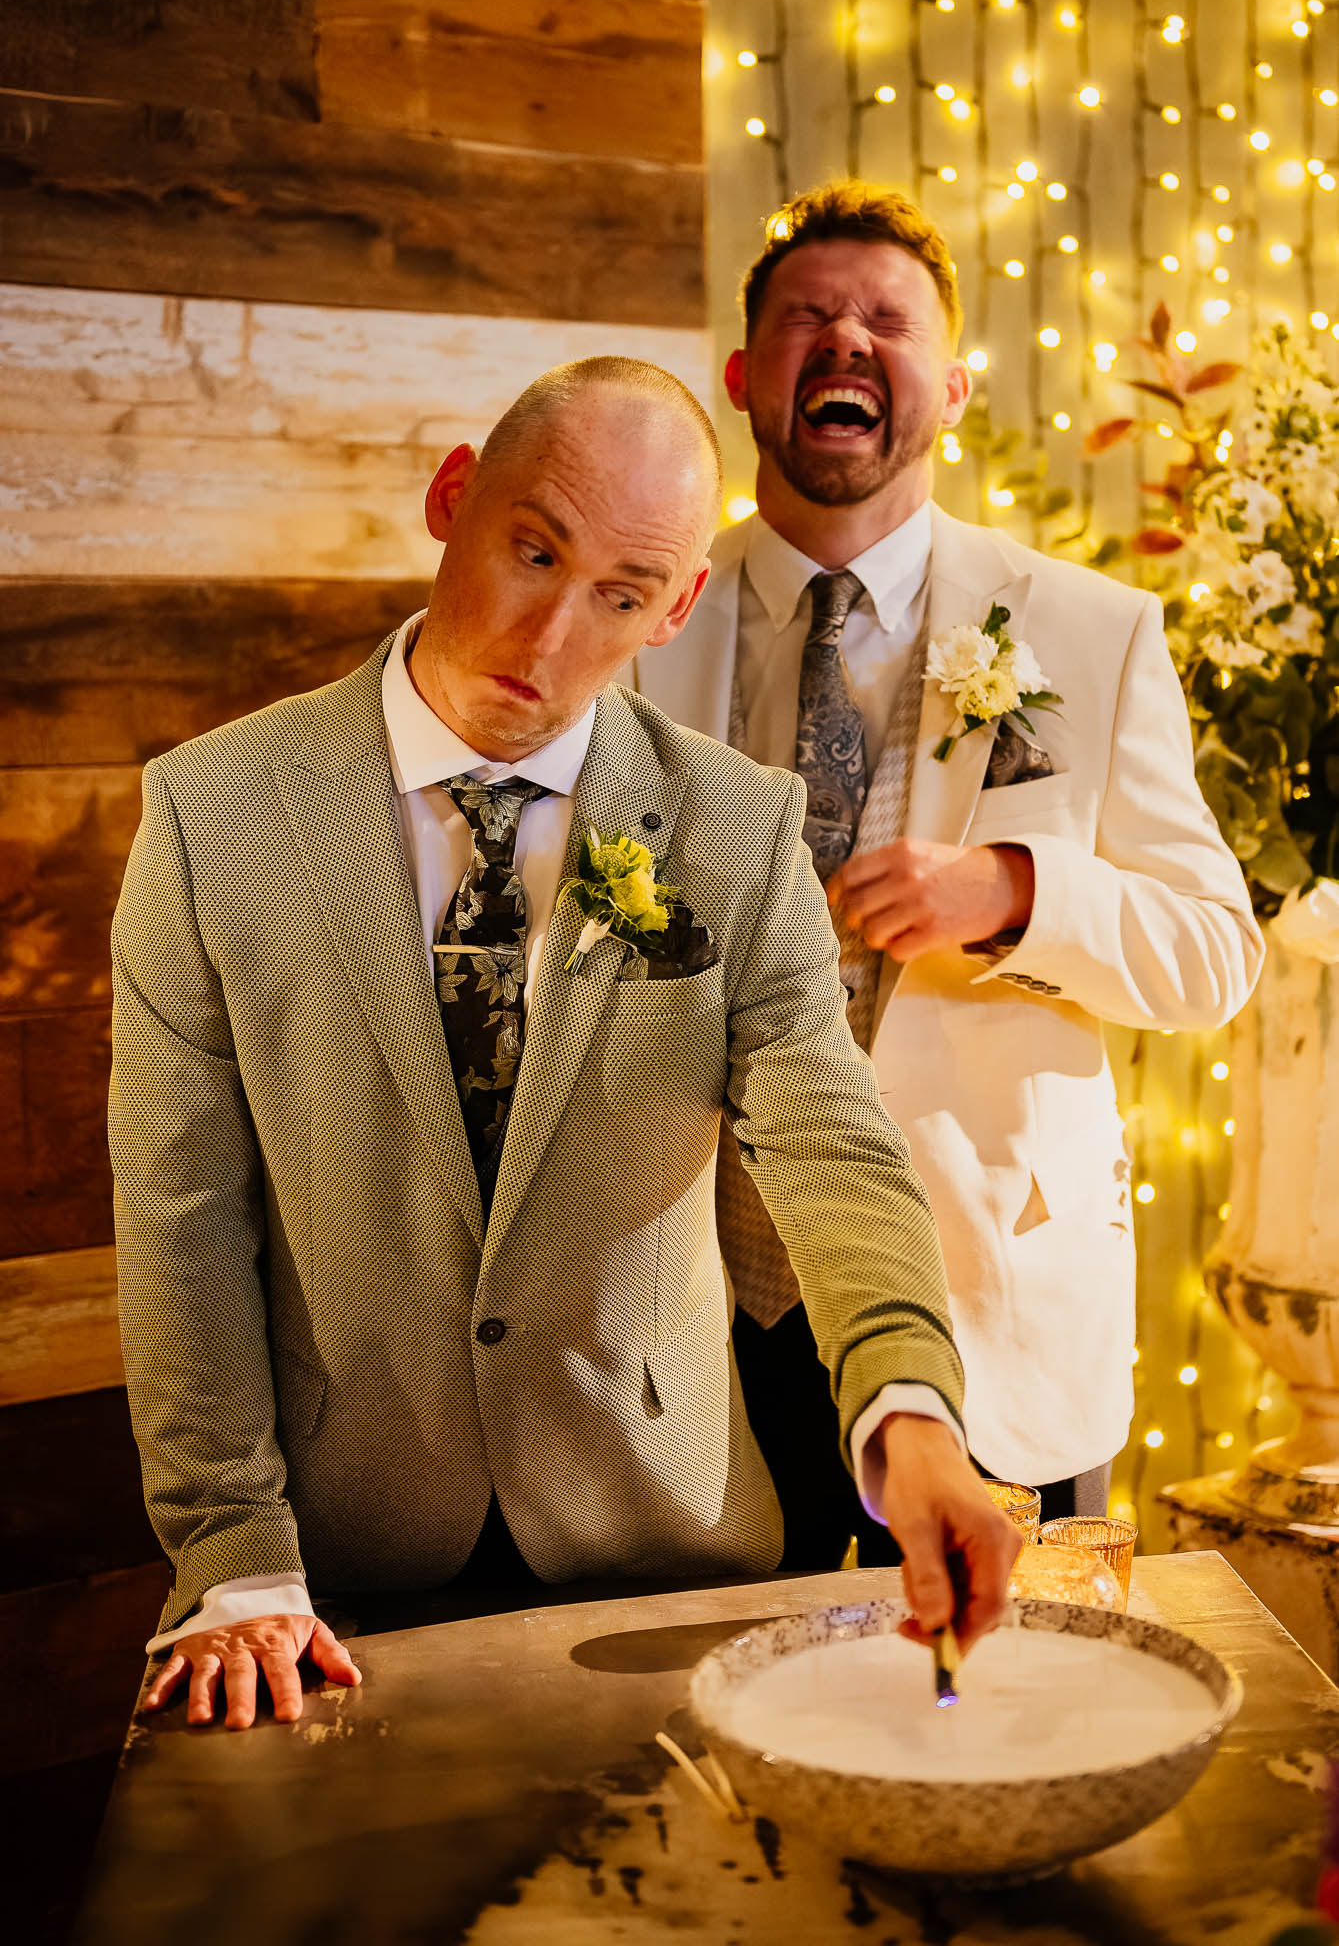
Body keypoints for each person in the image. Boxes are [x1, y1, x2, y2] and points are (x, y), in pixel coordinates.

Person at [110, 355, 1020, 1732]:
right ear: (453, 498)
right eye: (533, 550)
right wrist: (233, 1554)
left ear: (680, 605)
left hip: (662, 1553)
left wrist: (914, 1417)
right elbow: (182, 1213)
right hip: (334, 1572)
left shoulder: (737, 824)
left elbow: (831, 1140)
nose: (545, 642)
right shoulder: (208, 815)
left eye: (621, 593)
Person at [626, 184, 1264, 1567]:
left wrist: (1020, 895)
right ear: (742, 378)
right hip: (684, 1307)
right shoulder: (637, 616)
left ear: (953, 387)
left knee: (997, 1722)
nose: (846, 341)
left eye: (887, 322)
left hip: (989, 1293)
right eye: (809, 317)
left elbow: (1217, 951)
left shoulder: (1091, 633)